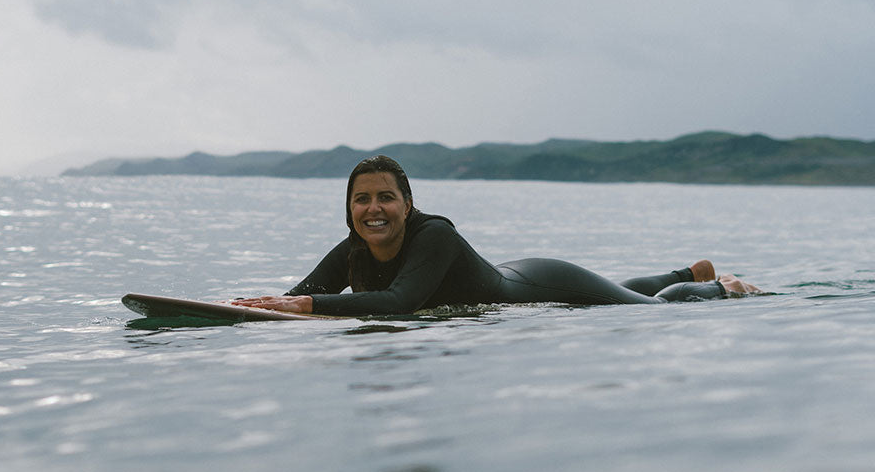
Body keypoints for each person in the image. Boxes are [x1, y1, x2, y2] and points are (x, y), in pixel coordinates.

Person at [232, 155, 760, 318]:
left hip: (545, 284)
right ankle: (688, 271)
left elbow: (402, 301)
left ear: (407, 204)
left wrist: (308, 308)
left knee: (648, 308)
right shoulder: (352, 248)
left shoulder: (434, 235)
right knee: (622, 287)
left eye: (385, 198)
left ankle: (719, 288)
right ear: (349, 209)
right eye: (361, 200)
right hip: (515, 272)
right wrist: (253, 306)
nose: (374, 209)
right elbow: (300, 294)